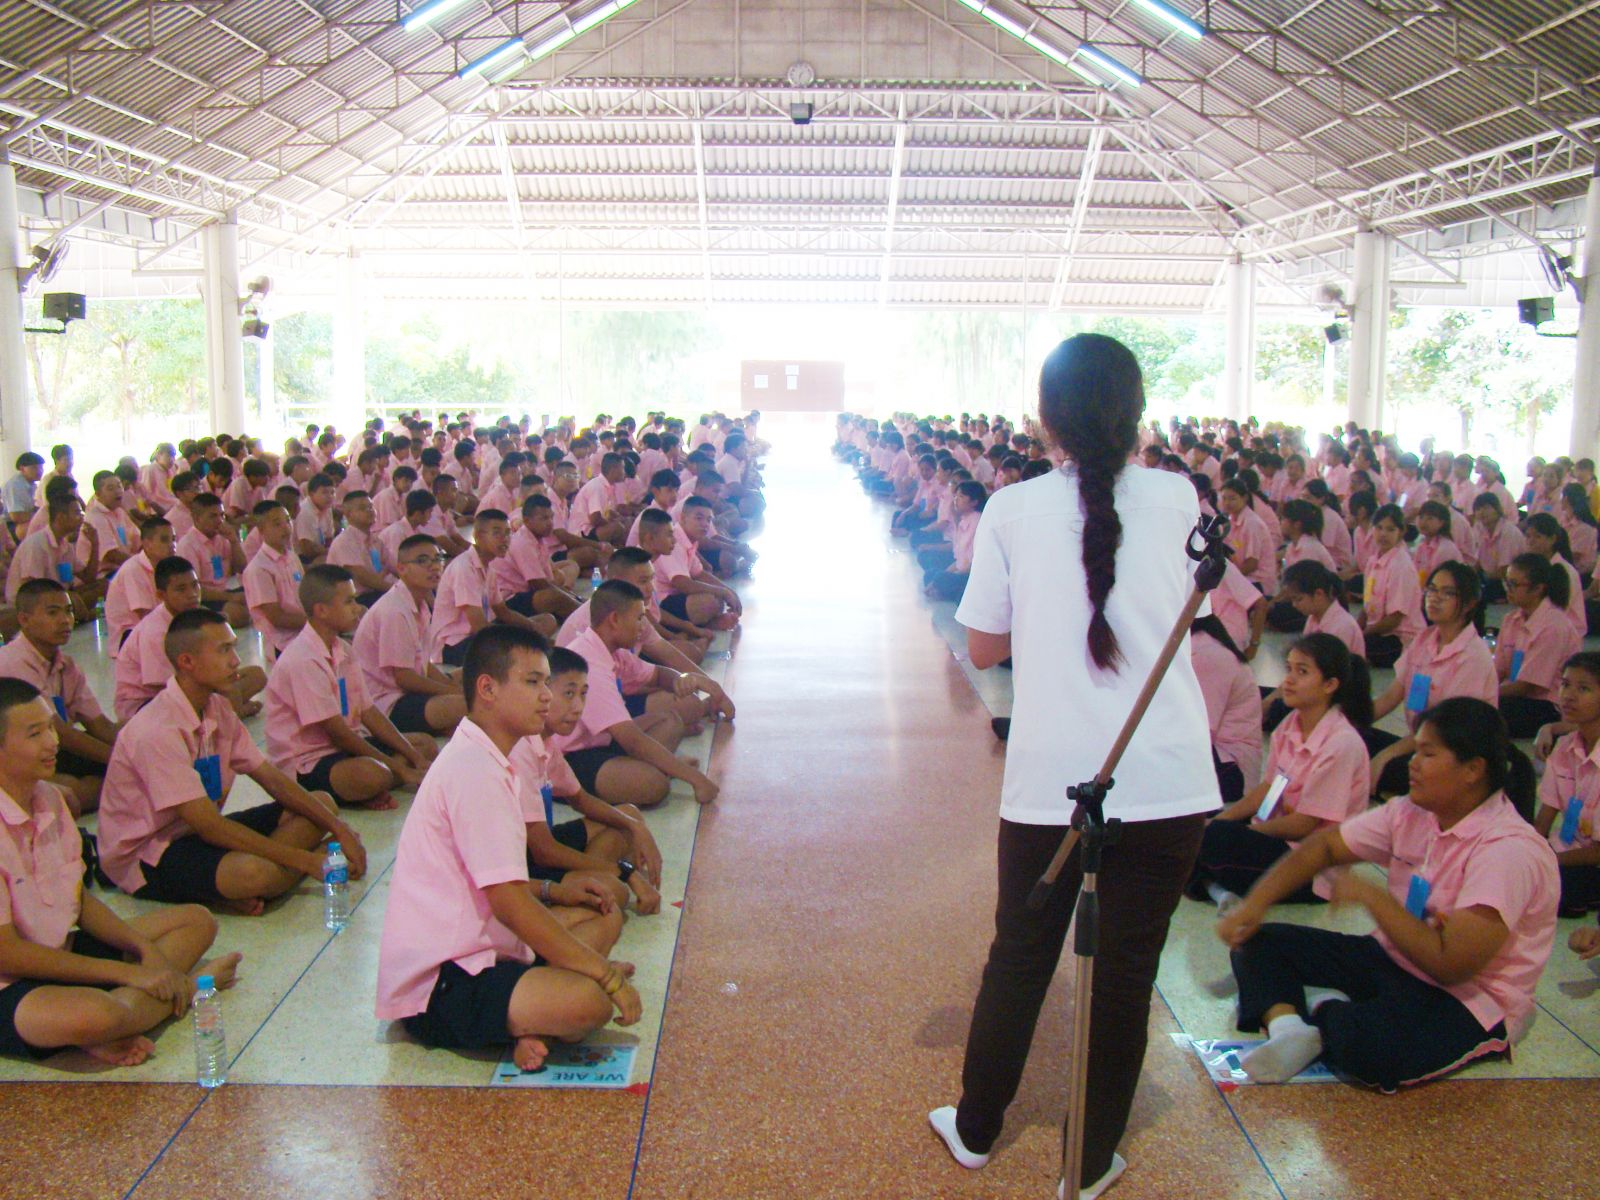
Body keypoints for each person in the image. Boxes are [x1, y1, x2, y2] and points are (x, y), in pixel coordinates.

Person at [931, 334, 1216, 1199]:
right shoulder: (1180, 494)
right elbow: (1190, 614)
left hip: (1052, 780)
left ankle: (977, 1129)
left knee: (1020, 955)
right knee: (1125, 977)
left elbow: (984, 648)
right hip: (1167, 774)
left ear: (1045, 419)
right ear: (1136, 414)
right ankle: (1087, 1165)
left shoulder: (1012, 508)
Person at [1218, 698, 1556, 1090]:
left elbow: (1451, 965)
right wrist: (1255, 905)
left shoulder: (1507, 851)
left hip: (1466, 998)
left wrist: (1373, 897)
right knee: (1257, 943)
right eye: (1416, 750)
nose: (1412, 763)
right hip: (1395, 956)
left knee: (1371, 1052)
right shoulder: (1413, 811)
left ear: (1473, 770)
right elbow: (1324, 847)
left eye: (1428, 754)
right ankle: (1291, 1030)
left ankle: (1326, 1012)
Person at [374, 625, 640, 1071]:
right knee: (590, 1003)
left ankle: (527, 1016)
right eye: (533, 682)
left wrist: (558, 893)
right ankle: (528, 1018)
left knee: (601, 915)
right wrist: (604, 974)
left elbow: (489, 883)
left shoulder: (490, 756)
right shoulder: (474, 770)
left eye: (546, 683)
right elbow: (509, 902)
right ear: (488, 689)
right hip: (442, 980)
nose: (547, 697)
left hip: (489, 944)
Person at [0, 679, 238, 1066]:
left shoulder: (50, 799)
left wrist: (143, 950)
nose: (53, 742)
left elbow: (77, 898)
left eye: (51, 728)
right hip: (10, 977)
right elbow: (8, 954)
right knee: (100, 1015)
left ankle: (120, 1019)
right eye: (35, 734)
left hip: (61, 950)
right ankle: (186, 990)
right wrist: (127, 973)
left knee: (197, 922)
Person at [98, 609, 366, 916]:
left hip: (196, 832)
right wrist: (305, 860)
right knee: (255, 873)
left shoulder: (217, 708)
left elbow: (271, 778)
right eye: (224, 650)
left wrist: (339, 829)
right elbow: (210, 826)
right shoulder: (156, 730)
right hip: (151, 852)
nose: (236, 660)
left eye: (234, 648)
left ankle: (245, 884)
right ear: (187, 661)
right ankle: (254, 881)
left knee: (322, 804)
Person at [1189, 633, 1372, 910]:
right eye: (1289, 669)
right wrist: (1219, 820)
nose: (1289, 679)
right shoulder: (1291, 724)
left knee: (1215, 841)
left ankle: (1211, 882)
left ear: (1330, 685)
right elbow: (1267, 788)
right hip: (1277, 832)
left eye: (1302, 672)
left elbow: (1304, 825)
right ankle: (1217, 889)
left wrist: (1244, 831)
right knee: (1194, 828)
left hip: (1311, 862)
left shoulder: (1341, 744)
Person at [263, 566, 436, 811]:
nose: (357, 608)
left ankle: (365, 789)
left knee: (425, 746)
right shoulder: (303, 660)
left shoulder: (343, 649)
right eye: (349, 601)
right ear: (321, 610)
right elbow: (338, 734)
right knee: (373, 775)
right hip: (309, 761)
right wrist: (401, 769)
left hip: (347, 746)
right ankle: (369, 786)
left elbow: (369, 712)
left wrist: (414, 758)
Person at [558, 581, 721, 809]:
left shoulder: (612, 650)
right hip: (570, 756)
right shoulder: (589, 664)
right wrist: (696, 779)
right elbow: (632, 740)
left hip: (601, 741)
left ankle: (651, 767)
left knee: (670, 721)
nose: (643, 627)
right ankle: (650, 769)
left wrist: (682, 680)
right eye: (639, 618)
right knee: (653, 785)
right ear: (615, 619)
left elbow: (657, 675)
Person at [1366, 563, 1498, 797]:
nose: (1435, 598)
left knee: (1373, 769)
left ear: (1469, 604)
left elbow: (1443, 731)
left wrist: (1387, 754)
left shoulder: (1472, 657)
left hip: (1451, 758)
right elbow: (1391, 696)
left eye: (1447, 593)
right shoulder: (1424, 640)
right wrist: (1344, 723)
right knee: (1353, 742)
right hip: (1421, 745)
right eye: (1432, 589)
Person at [0, 580, 119, 815]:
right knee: (73, 793)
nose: (65, 620)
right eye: (53, 613)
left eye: (69, 611)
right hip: (16, 754)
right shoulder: (13, 663)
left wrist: (131, 752)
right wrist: (119, 760)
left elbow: (99, 724)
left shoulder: (66, 665)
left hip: (49, 747)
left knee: (128, 748)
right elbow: (60, 733)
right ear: (24, 619)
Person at [352, 533, 467, 736]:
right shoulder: (395, 610)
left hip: (408, 691)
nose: (433, 566)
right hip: (386, 703)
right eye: (422, 561)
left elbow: (423, 664)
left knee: (470, 673)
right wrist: (453, 691)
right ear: (402, 568)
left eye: (437, 559)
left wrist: (449, 685)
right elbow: (404, 678)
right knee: (470, 705)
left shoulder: (419, 604)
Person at [429, 508, 556, 667]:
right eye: (497, 533)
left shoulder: (489, 567)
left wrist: (533, 628)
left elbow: (503, 611)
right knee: (517, 649)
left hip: (483, 632)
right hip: (455, 644)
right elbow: (480, 627)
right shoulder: (464, 568)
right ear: (477, 536)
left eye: (507, 533)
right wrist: (525, 636)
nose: (505, 539)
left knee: (545, 621)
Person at [1534, 653, 1600, 915]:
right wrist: (1530, 852)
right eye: (1565, 684)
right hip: (1567, 850)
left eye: (1583, 689)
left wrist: (1548, 861)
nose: (1569, 696)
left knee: (1554, 887)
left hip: (1591, 861)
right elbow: (1544, 820)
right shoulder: (1564, 747)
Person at [1495, 553, 1581, 738]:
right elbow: (1498, 670)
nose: (1508, 589)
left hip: (1546, 706)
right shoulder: (1511, 619)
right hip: (1517, 697)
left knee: (1482, 715)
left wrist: (1482, 693)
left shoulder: (1553, 626)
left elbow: (1527, 686)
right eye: (1506, 582)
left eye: (1514, 584)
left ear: (1537, 589)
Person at [1189, 615, 1261, 806]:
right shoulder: (1203, 646)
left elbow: (1203, 730)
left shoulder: (1208, 655)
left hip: (1231, 765)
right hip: (1219, 754)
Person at [5, 496, 99, 623]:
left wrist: (95, 544)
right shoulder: (37, 544)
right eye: (77, 513)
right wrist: (65, 596)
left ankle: (75, 614)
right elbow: (32, 588)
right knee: (70, 600)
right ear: (61, 517)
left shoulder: (66, 546)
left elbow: (89, 578)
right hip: (32, 602)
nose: (82, 519)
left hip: (59, 597)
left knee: (102, 586)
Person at [1357, 503, 1423, 669]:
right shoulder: (1373, 561)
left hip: (1399, 638)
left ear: (1401, 532)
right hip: (1377, 630)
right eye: (1379, 528)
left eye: (1390, 529)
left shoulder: (1401, 565)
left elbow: (1394, 619)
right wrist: (1356, 628)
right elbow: (1366, 602)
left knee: (1354, 649)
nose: (1383, 534)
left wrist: (1362, 634)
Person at [241, 499, 305, 665]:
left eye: (288, 521)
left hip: (304, 630)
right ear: (261, 530)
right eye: (277, 524)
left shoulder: (292, 557)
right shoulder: (259, 569)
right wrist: (316, 622)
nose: (286, 528)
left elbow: (305, 593)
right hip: (283, 642)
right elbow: (276, 618)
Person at [175, 493, 249, 627]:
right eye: (213, 516)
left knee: (259, 592)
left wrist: (234, 540)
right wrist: (231, 597)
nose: (220, 521)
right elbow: (194, 590)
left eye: (222, 515)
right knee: (238, 614)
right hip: (206, 597)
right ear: (197, 518)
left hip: (226, 589)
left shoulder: (222, 537)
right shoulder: (187, 546)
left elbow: (242, 568)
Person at [326, 490, 394, 605]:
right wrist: (396, 590)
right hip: (353, 601)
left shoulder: (375, 540)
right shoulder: (344, 541)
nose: (370, 511)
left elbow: (393, 564)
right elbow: (363, 578)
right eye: (363, 508)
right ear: (348, 514)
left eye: (371, 506)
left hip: (376, 593)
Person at [293, 473, 339, 563]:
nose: (330, 496)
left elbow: (329, 538)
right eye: (324, 492)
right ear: (311, 494)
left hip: (320, 552)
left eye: (332, 492)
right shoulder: (304, 511)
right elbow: (307, 549)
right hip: (302, 558)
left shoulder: (327, 508)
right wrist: (330, 553)